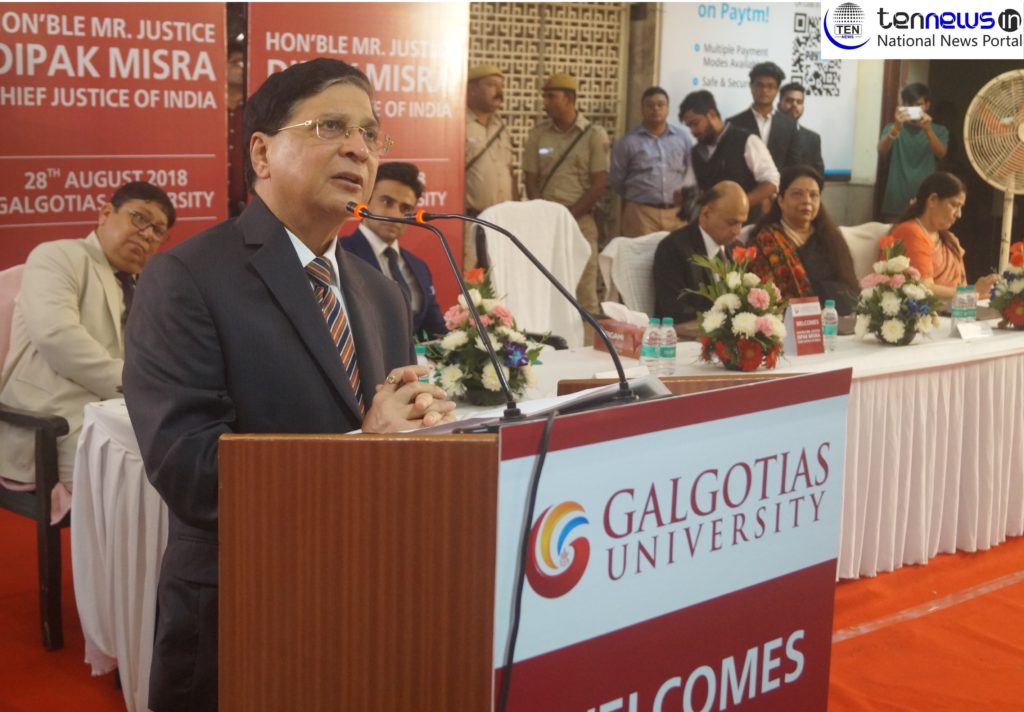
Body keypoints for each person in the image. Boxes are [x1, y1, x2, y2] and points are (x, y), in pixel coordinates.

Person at [122, 59, 456, 712]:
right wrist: (363, 447)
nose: (359, 149)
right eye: (331, 126)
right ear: (262, 153)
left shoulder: (381, 294)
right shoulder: (187, 279)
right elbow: (190, 469)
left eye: (370, 133)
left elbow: (396, 435)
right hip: (245, 611)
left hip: (369, 602)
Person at [0, 181, 174, 517]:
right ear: (106, 213)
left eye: (158, 231)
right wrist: (139, 387)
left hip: (117, 415)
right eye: (139, 218)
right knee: (149, 474)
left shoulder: (148, 285)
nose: (147, 234)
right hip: (51, 421)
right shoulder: (58, 256)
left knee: (186, 454)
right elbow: (56, 336)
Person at [524, 72, 610, 326]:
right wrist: (545, 215)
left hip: (581, 224)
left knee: (585, 294)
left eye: (551, 97)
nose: (545, 102)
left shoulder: (594, 135)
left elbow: (599, 184)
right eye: (545, 96)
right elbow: (530, 180)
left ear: (570, 98)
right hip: (546, 226)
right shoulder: (538, 135)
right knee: (546, 291)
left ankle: (587, 345)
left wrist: (566, 218)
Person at [341, 161, 447, 339]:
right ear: (365, 201)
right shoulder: (340, 253)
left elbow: (437, 332)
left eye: (405, 208)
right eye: (386, 202)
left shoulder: (419, 267)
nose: (396, 215)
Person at [749, 165, 859, 314]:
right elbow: (761, 294)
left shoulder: (830, 238)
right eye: (797, 194)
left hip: (833, 319)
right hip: (784, 322)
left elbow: (848, 287)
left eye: (813, 195)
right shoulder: (765, 241)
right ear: (781, 200)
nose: (807, 201)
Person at [886, 171, 998, 300]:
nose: (959, 214)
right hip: (922, 310)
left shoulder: (950, 240)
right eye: (954, 205)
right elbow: (925, 288)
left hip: (954, 308)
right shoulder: (911, 232)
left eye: (961, 207)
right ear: (932, 200)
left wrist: (979, 295)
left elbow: (961, 289)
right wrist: (972, 291)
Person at [653, 181, 749, 329]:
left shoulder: (737, 249)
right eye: (732, 223)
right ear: (706, 214)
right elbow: (674, 312)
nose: (737, 231)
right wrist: (724, 324)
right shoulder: (673, 248)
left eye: (741, 223)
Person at [678, 90, 779, 220]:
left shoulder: (746, 140)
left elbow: (771, 182)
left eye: (695, 123)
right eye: (689, 126)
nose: (693, 131)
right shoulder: (696, 152)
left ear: (712, 115)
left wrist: (740, 204)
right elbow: (691, 186)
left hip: (746, 225)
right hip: (712, 226)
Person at [609, 86, 694, 236]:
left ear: (668, 109)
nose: (655, 109)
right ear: (642, 109)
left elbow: (691, 172)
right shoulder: (627, 142)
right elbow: (617, 181)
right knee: (641, 252)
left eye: (660, 105)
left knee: (677, 251)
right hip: (641, 214)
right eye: (650, 105)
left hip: (676, 214)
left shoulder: (683, 139)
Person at [465, 63, 518, 268]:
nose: (499, 91)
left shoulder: (501, 127)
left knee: (498, 278)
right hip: (470, 221)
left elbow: (510, 171)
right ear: (472, 89)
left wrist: (516, 210)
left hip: (500, 222)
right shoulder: (459, 124)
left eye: (501, 85)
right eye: (491, 85)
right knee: (470, 280)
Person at [877, 83, 949, 222]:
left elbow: (941, 153)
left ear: (927, 105)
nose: (913, 109)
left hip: (925, 204)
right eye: (909, 105)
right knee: (894, 237)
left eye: (918, 104)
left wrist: (928, 130)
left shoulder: (940, 130)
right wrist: (896, 128)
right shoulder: (892, 127)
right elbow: (881, 151)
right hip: (895, 202)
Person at [728, 62, 802, 172]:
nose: (764, 90)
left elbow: (793, 165)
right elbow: (731, 163)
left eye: (770, 86)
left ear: (777, 90)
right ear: (751, 87)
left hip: (780, 183)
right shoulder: (733, 124)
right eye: (759, 85)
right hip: (743, 183)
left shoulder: (790, 126)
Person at [778, 81, 824, 175]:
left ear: (803, 107)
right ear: (779, 105)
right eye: (789, 100)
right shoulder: (769, 132)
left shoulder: (813, 139)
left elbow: (819, 174)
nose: (794, 105)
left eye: (799, 102)